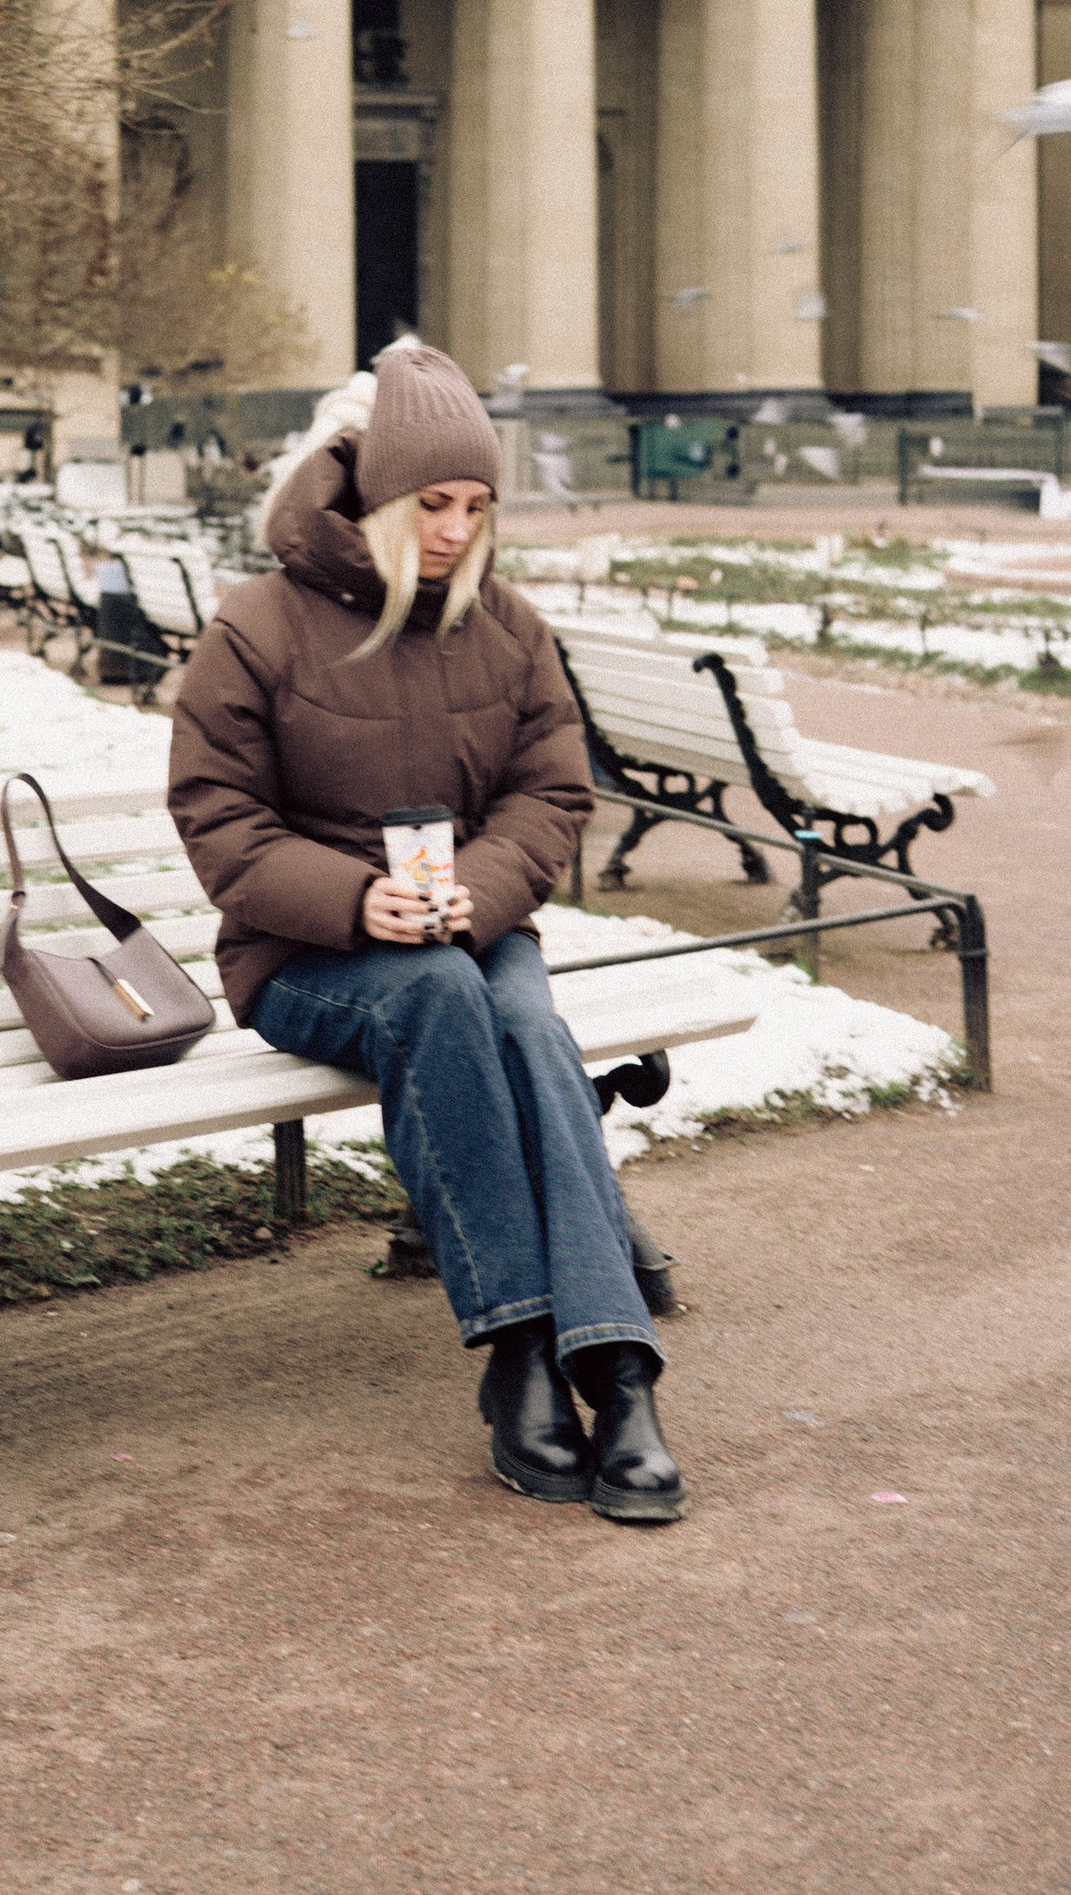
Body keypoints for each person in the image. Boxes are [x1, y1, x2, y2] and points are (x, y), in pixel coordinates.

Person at [166, 338, 685, 1525]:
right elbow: (217, 818)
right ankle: (518, 1353)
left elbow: (549, 797)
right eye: (432, 503)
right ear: (372, 494)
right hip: (306, 954)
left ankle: (613, 1367)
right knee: (455, 1003)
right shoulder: (258, 625)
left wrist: (478, 893)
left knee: (523, 1020)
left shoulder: (508, 628)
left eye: (477, 506)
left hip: (468, 928)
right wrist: (355, 901)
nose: (455, 529)